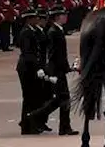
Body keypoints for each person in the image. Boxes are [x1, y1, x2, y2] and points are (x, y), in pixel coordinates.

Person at [27, 7, 77, 136]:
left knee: (60, 100)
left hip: (58, 69)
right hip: (57, 70)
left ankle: (62, 126)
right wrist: (60, 70)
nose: (65, 17)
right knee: (63, 98)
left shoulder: (57, 30)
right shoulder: (53, 32)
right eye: (63, 14)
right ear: (57, 17)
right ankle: (37, 117)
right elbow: (54, 55)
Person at [16, 6, 48, 135]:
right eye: (34, 18)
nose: (37, 20)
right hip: (27, 68)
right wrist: (38, 67)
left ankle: (29, 123)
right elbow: (28, 53)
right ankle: (27, 126)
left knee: (33, 96)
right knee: (29, 97)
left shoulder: (32, 31)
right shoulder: (26, 32)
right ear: (28, 20)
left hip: (31, 67)